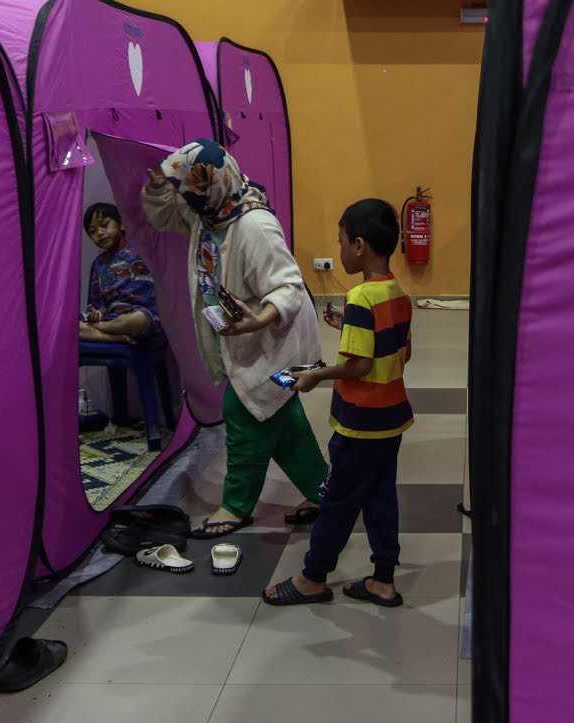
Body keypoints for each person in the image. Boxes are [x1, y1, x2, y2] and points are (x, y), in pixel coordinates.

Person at [142, 139, 325, 538]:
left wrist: (259, 320)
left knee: (243, 415)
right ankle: (328, 493)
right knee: (280, 419)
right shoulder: (207, 215)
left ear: (211, 182)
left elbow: (289, 288)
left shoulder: (253, 225)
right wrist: (158, 188)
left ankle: (236, 506)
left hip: (273, 342)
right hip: (243, 339)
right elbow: (166, 216)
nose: (184, 194)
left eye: (188, 185)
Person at [263, 199, 414, 608]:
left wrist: (316, 375)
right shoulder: (397, 293)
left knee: (337, 500)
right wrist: (346, 327)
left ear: (360, 245)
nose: (341, 249)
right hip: (392, 419)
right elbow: (401, 352)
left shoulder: (362, 297)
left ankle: (313, 577)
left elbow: (359, 366)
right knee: (382, 496)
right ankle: (384, 579)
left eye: (342, 242)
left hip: (360, 423)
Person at [79, 203, 162, 345]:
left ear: (121, 224)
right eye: (92, 232)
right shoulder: (99, 264)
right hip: (110, 316)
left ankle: (101, 330)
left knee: (137, 320)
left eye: (104, 225)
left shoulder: (140, 250)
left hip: (140, 314)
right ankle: (113, 337)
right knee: (66, 325)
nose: (99, 233)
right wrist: (96, 313)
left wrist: (98, 325)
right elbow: (97, 304)